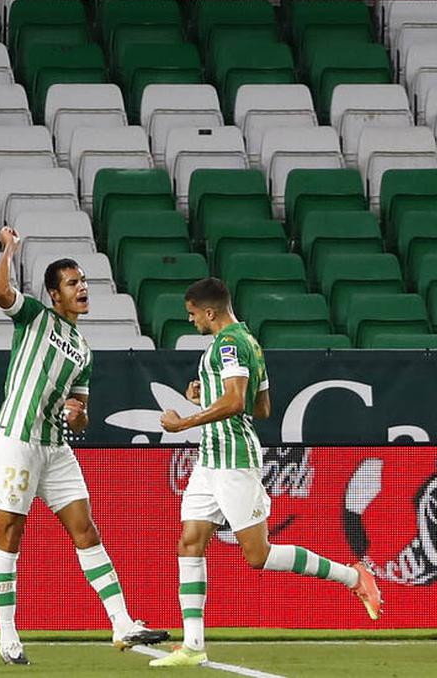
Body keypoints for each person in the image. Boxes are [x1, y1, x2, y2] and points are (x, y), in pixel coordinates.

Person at [150, 277, 382, 668]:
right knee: (190, 542)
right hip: (211, 459)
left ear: (210, 312)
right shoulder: (249, 343)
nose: (191, 322)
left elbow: (239, 400)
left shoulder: (228, 344)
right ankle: (192, 645)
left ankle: (353, 576)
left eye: (192, 315)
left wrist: (186, 421)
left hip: (234, 459)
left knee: (258, 556)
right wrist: (207, 395)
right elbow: (263, 408)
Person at [0, 226, 169, 665]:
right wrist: (9, 249)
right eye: (73, 282)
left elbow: (81, 408)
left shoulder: (84, 350)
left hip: (55, 445)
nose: (83, 287)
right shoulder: (34, 316)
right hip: (16, 438)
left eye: (83, 281)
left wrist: (77, 415)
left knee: (86, 530)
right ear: (54, 294)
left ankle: (122, 624)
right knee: (10, 534)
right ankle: (8, 636)